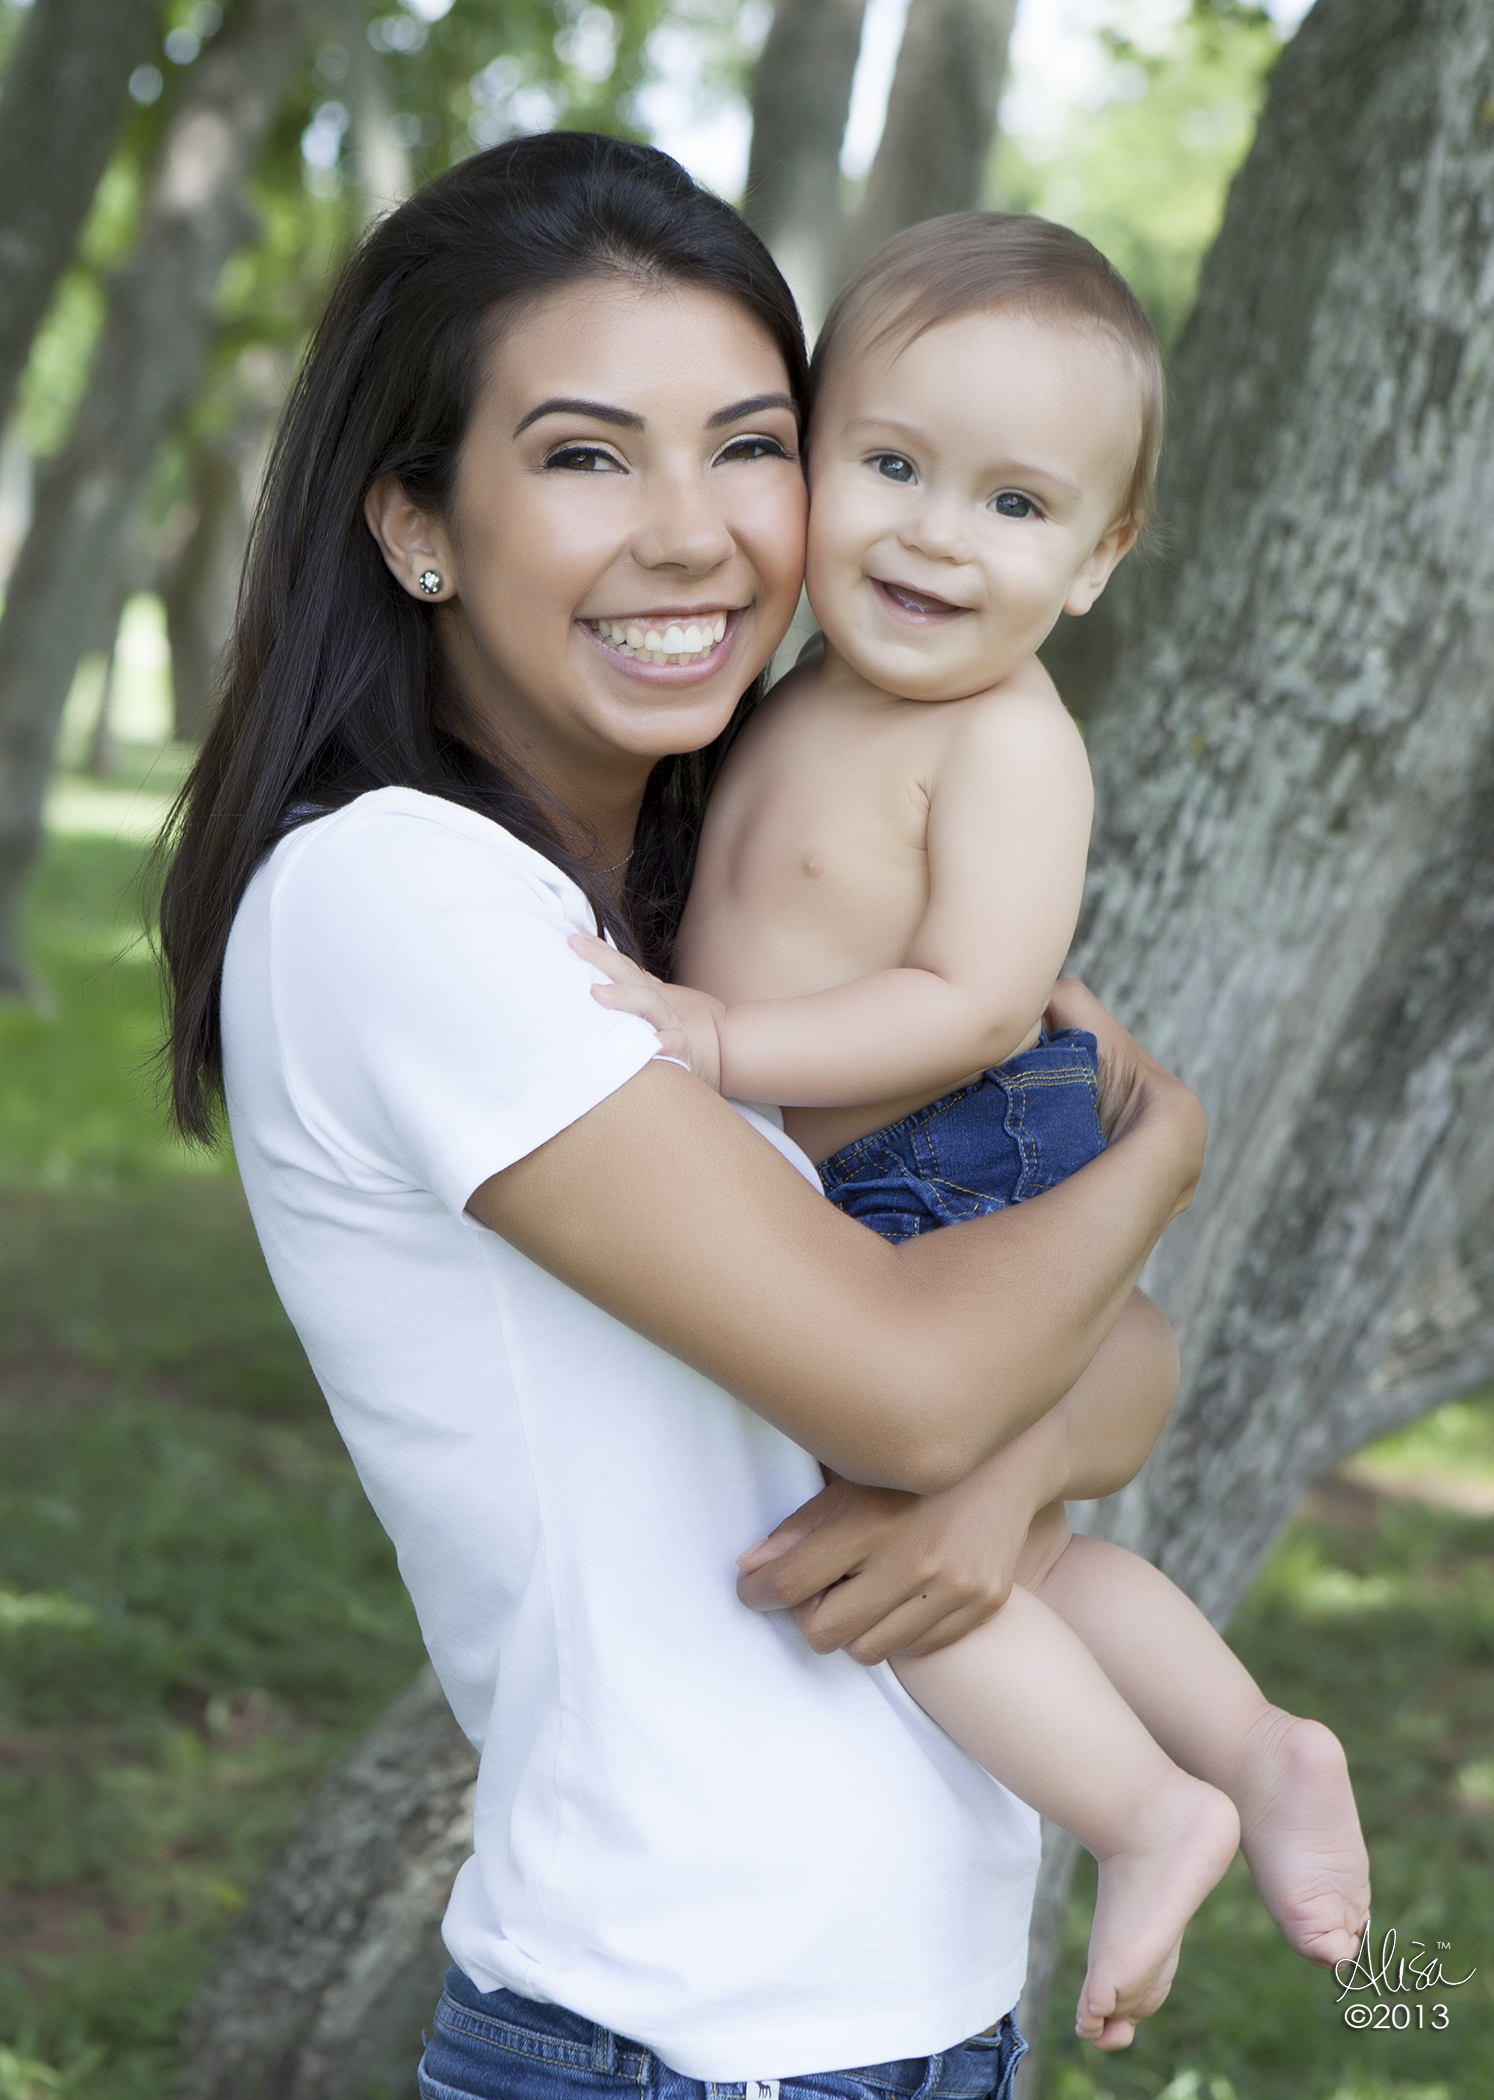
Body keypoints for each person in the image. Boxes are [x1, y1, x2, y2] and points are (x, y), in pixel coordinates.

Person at [159, 136, 1207, 2100]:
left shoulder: (704, 912)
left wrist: (998, 1466)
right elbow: (913, 1386)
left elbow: (1127, 1377)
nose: (695, 532)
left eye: (748, 445)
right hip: (679, 2038)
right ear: (416, 524)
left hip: (912, 2012)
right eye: (582, 456)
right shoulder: (402, 903)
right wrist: (1159, 1157)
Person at [576, 213, 1370, 2051]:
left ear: (1098, 562)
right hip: (872, 1171)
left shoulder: (1008, 738)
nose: (938, 532)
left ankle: (1145, 1810)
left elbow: (980, 999)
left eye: (1016, 506)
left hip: (940, 1160)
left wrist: (722, 1035)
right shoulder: (798, 693)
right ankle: (1253, 1744)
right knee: (1024, 1554)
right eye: (894, 466)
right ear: (811, 460)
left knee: (887, 1556)